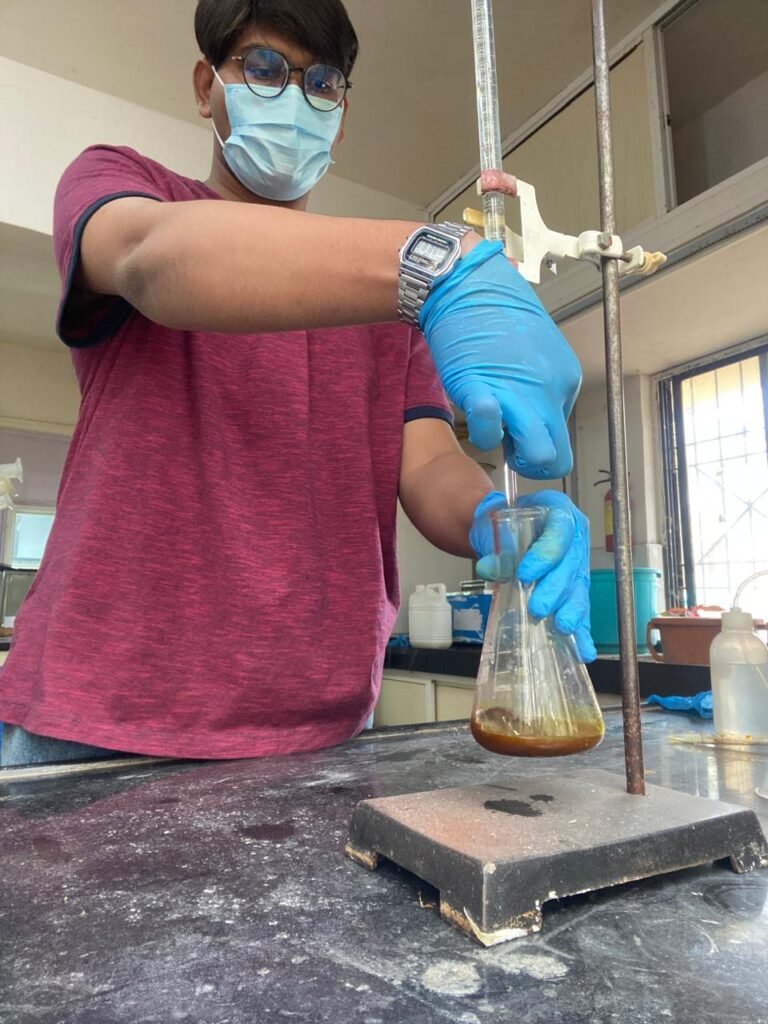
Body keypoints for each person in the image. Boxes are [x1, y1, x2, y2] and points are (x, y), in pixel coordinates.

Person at [0, 0, 594, 767]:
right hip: (103, 720)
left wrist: (497, 517)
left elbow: (426, 465)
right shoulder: (126, 184)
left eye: (321, 83)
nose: (294, 97)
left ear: (340, 118)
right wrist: (435, 261)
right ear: (206, 86)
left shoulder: (390, 304)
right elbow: (153, 259)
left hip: (323, 727)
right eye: (264, 68)